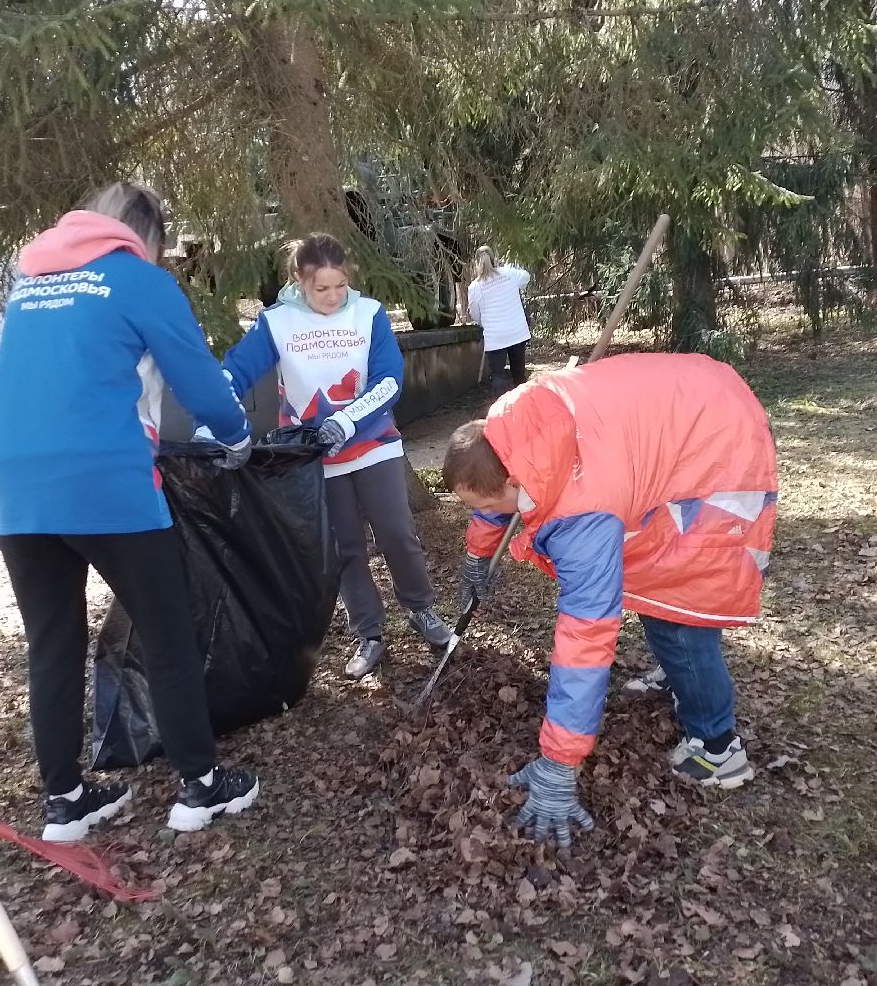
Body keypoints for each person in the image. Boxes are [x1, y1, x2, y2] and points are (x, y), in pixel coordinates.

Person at [0, 182, 261, 841]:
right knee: (166, 629)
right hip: (104, 478)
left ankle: (65, 801)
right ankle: (199, 787)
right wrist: (237, 435)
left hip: (15, 488)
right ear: (146, 236)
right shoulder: (137, 278)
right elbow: (197, 380)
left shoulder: (28, 285)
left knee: (52, 643)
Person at [442, 353, 777, 845]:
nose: (487, 513)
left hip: (716, 451)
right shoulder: (512, 429)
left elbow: (585, 640)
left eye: (487, 506)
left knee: (678, 612)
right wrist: (477, 554)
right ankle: (679, 671)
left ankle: (718, 747)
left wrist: (559, 763)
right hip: (679, 418)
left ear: (515, 481)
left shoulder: (583, 521)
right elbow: (494, 498)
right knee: (658, 585)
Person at [221, 233, 451, 679]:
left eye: (339, 286)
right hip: (314, 457)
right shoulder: (277, 322)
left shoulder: (369, 315)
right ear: (299, 282)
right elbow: (235, 372)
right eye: (320, 288)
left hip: (374, 444)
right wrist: (213, 416)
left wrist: (348, 421)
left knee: (398, 534)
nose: (331, 297)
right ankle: (369, 634)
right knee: (345, 548)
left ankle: (422, 610)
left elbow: (389, 379)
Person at [467, 246, 531, 397]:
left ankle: (500, 411)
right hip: (517, 332)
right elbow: (526, 277)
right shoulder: (509, 273)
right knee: (519, 373)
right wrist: (513, 267)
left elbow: (475, 314)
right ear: (493, 258)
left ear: (476, 263)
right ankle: (524, 409)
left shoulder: (475, 287)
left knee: (497, 375)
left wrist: (486, 322)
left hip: (495, 337)